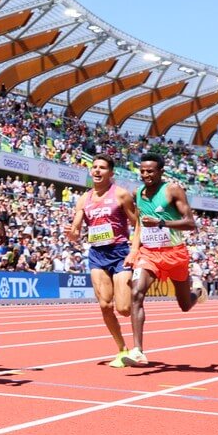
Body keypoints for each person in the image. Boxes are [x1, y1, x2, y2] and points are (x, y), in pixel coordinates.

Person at [125, 153, 207, 366]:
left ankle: (197, 290)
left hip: (174, 253)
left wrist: (161, 223)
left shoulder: (172, 190)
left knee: (185, 305)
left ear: (161, 171)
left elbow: (190, 223)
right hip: (149, 253)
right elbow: (139, 225)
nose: (146, 175)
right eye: (142, 171)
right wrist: (134, 251)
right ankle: (137, 351)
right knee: (136, 293)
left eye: (150, 171)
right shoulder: (139, 193)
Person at [68, 154, 141, 367]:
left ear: (111, 173)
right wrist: (71, 234)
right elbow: (75, 230)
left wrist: (134, 250)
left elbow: (138, 224)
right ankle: (121, 350)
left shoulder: (121, 195)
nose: (97, 171)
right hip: (97, 255)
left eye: (102, 168)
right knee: (104, 305)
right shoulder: (84, 199)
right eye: (94, 167)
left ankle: (136, 293)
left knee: (124, 309)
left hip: (120, 252)